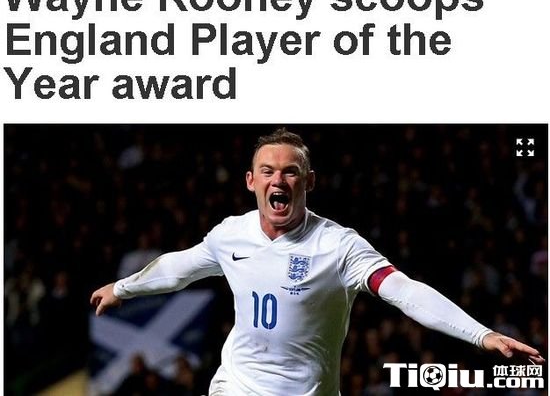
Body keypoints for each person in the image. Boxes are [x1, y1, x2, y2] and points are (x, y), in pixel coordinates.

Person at [91, 128, 544, 396]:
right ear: (251, 181)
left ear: (309, 181)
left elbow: (404, 291)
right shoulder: (230, 234)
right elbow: (180, 267)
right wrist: (122, 288)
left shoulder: (339, 246)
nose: (279, 179)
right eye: (268, 171)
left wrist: (480, 334)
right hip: (238, 385)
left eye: (290, 171)